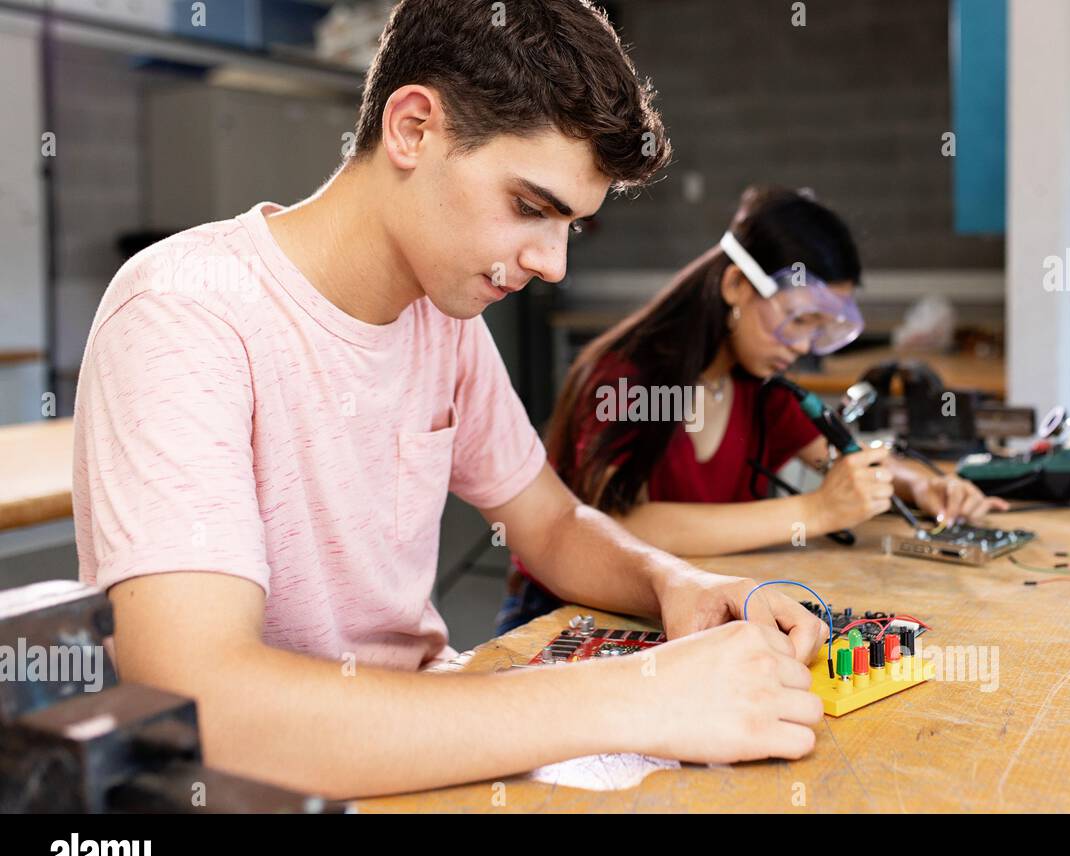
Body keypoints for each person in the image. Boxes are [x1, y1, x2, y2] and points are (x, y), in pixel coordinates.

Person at [71, 0, 828, 801]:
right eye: (531, 208)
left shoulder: (444, 312)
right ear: (412, 128)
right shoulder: (185, 310)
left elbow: (552, 522)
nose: (553, 263)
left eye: (573, 225)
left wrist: (677, 583)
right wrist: (638, 694)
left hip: (433, 748)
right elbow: (204, 706)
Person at [498, 186, 1007, 633]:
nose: (805, 346)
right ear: (737, 286)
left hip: (695, 606)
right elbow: (620, 529)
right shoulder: (628, 378)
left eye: (821, 329)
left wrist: (919, 485)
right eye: (799, 320)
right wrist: (815, 511)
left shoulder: (759, 387)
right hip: (573, 617)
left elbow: (834, 456)